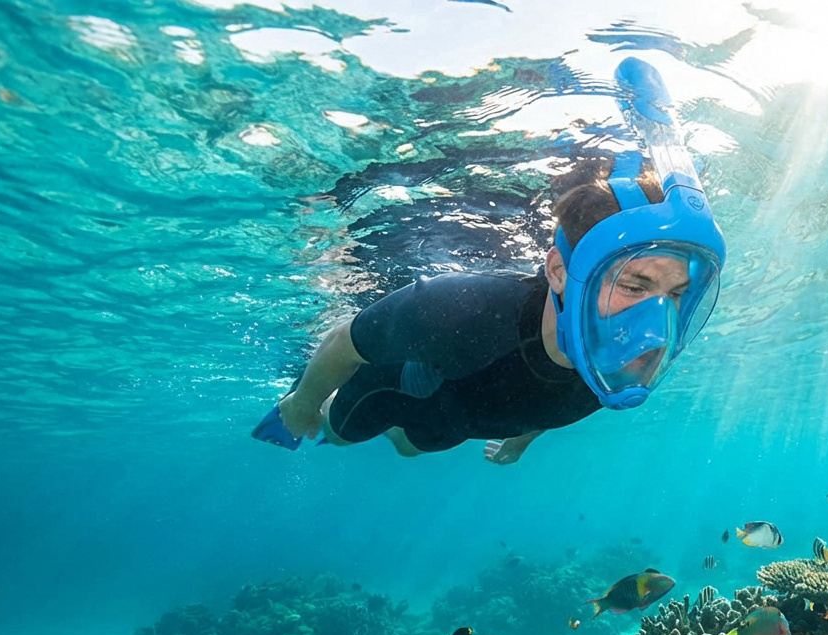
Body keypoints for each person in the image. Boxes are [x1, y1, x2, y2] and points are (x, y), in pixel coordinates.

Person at [251, 57, 727, 464]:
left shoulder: (616, 361)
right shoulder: (458, 305)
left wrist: (520, 442)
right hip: (397, 384)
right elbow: (344, 341)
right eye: (635, 285)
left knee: (411, 450)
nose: (654, 322)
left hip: (464, 419)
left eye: (677, 294)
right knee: (337, 434)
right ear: (560, 272)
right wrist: (303, 404)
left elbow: (555, 401)